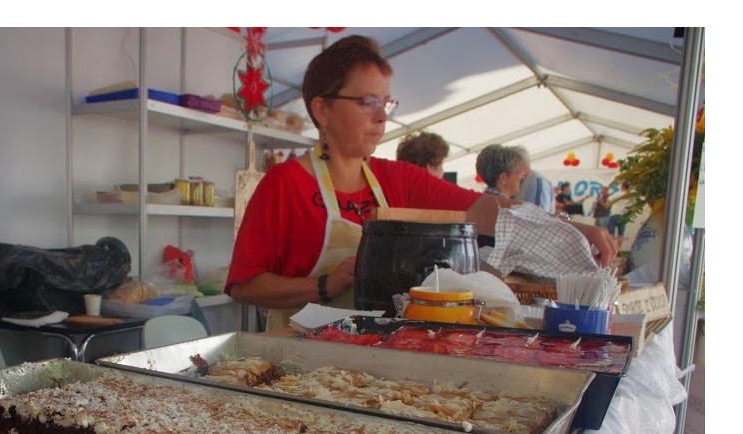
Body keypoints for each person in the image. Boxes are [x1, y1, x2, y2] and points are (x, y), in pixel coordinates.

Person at [224, 35, 617, 329]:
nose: (382, 117)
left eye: (386, 102)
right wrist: (325, 285)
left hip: (378, 358)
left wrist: (576, 227)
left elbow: (484, 210)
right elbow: (244, 286)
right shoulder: (284, 184)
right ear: (322, 109)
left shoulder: (396, 179)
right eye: (367, 102)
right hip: (300, 360)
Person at [474, 144, 527, 249]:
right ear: (504, 178)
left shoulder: (476, 203)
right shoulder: (508, 211)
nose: (523, 176)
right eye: (520, 172)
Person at [511, 146, 555, 212]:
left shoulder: (538, 183)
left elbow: (539, 215)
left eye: (511, 165)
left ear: (522, 164)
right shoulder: (520, 180)